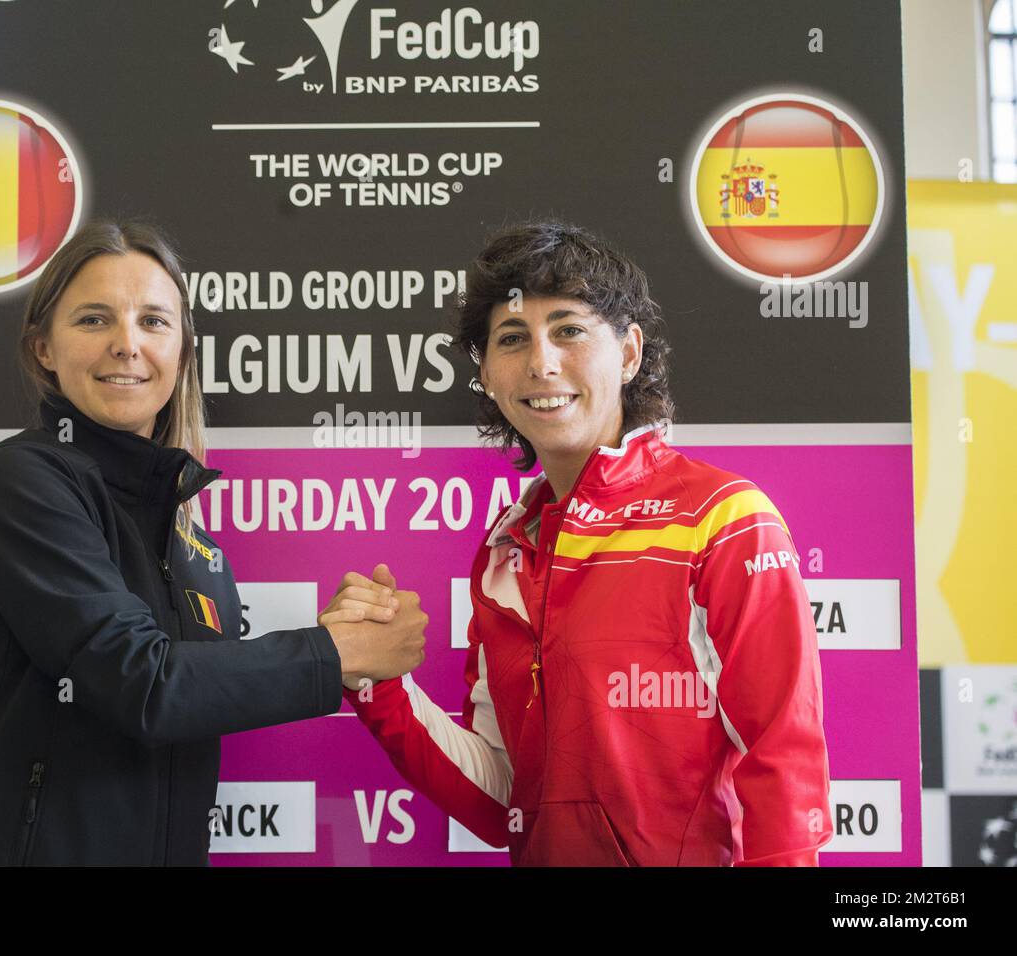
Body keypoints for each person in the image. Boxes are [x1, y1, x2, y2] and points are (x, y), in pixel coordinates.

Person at [0, 219, 425, 866]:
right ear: (43, 349)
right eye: (94, 320)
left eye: (153, 321)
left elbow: (194, 695)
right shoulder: (19, 484)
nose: (127, 344)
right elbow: (142, 685)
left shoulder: (191, 543)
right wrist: (330, 654)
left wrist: (340, 636)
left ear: (181, 351)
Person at [323, 220, 833, 866]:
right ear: (487, 372)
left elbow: (782, 754)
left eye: (569, 329)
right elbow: (503, 801)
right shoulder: (505, 551)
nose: (542, 362)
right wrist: (380, 685)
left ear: (628, 353)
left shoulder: (723, 518)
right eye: (512, 338)